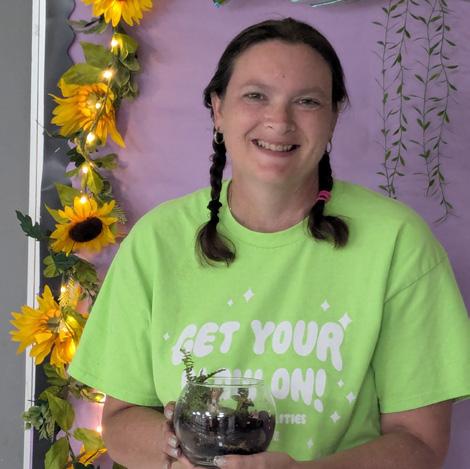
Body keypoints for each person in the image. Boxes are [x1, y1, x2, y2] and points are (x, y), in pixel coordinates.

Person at [68, 18, 470, 469]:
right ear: (218, 110)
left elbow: (420, 442)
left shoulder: (397, 242)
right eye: (256, 96)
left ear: (333, 117)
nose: (279, 121)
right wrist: (174, 449)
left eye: (307, 101)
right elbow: (120, 418)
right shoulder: (157, 240)